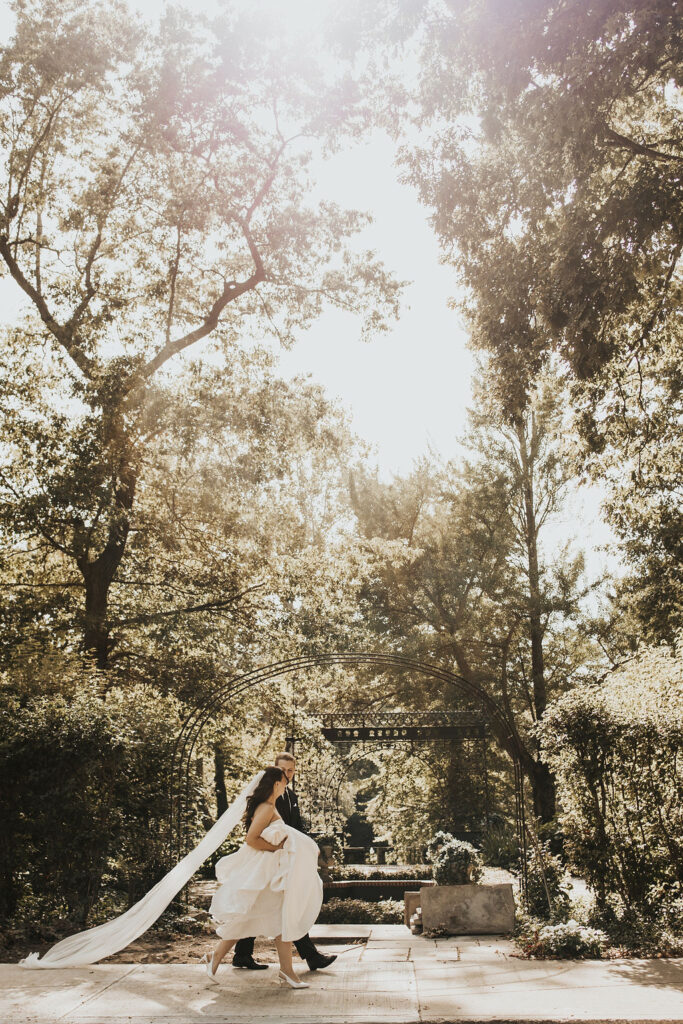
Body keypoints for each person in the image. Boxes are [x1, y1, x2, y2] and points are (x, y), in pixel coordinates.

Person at [205, 764, 323, 988]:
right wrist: (276, 848)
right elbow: (252, 839)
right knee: (252, 919)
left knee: (276, 920)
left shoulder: (268, 806)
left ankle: (286, 971)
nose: (286, 785)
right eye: (284, 781)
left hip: (270, 873)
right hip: (266, 875)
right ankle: (217, 958)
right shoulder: (267, 807)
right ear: (277, 783)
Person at [232, 752, 337, 973]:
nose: (288, 775)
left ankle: (242, 954)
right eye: (284, 770)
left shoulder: (291, 796)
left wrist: (307, 847)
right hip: (270, 858)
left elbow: (296, 828)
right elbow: (257, 831)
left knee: (262, 906)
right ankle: (310, 957)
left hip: (286, 856)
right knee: (278, 907)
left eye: (291, 770)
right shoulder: (270, 796)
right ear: (275, 771)